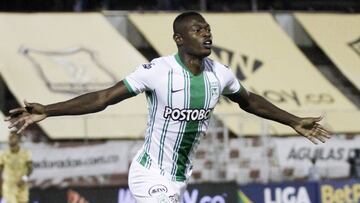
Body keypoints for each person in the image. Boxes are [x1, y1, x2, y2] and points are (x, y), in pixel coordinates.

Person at [5, 11, 331, 203]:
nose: (206, 34)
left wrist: (292, 121)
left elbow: (250, 101)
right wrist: (49, 109)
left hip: (179, 178)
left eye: (208, 29)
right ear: (179, 38)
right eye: (197, 30)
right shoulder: (158, 72)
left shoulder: (221, 74)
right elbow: (102, 99)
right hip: (148, 174)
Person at [0, 132, 32, 203]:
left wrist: (24, 179)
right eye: (9, 137)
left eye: (13, 137)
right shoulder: (3, 153)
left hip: (22, 185)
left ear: (18, 139)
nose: (10, 139)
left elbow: (30, 169)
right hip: (9, 186)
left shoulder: (25, 153)